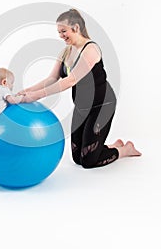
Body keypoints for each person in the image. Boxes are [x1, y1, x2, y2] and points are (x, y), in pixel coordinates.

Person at [18, 9, 141, 168]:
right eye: (59, 32)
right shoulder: (65, 52)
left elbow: (71, 80)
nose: (61, 35)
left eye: (63, 31)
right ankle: (110, 146)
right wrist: (27, 91)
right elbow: (52, 79)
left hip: (101, 106)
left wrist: (35, 97)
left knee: (88, 161)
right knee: (77, 158)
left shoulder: (91, 50)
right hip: (82, 106)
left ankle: (124, 150)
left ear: (76, 28)